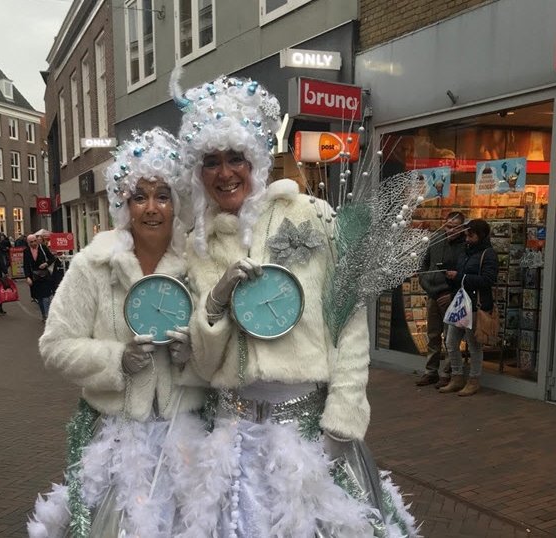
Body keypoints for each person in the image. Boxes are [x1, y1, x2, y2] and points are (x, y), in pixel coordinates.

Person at [171, 73, 417, 536]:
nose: (225, 173)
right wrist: (216, 302)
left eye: (236, 158)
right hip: (233, 439)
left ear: (257, 161)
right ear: (197, 172)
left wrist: (342, 422)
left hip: (310, 435)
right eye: (211, 161)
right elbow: (205, 365)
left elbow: (347, 324)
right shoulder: (196, 247)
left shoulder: (311, 216)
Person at [28, 128, 205, 537]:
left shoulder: (198, 266)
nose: (151, 208)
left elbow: (220, 347)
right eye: (139, 196)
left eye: (162, 195)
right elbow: (54, 345)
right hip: (117, 439)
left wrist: (193, 355)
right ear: (124, 206)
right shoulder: (93, 266)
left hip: (188, 438)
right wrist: (115, 359)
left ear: (176, 204)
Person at [440, 219, 498, 397]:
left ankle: (474, 380)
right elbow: (460, 276)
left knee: (473, 345)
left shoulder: (488, 254)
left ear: (480, 235)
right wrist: (452, 277)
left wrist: (461, 277)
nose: (467, 238)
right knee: (450, 342)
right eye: (466, 234)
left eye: (470, 235)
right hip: (461, 303)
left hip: (475, 304)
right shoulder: (465, 252)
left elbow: (488, 280)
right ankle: (457, 377)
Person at [415, 211, 466, 388]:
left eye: (455, 227)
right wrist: (426, 284)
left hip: (450, 296)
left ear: (462, 228)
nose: (451, 230)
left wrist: (451, 294)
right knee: (433, 334)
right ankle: (431, 372)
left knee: (450, 337)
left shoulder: (464, 247)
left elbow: (464, 274)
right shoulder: (435, 240)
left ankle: (448, 372)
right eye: (448, 226)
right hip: (433, 294)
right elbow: (423, 264)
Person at [23, 234, 56, 321]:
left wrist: (46, 263)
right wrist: (27, 277)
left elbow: (52, 258)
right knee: (39, 297)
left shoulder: (43, 248)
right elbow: (25, 265)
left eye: (35, 241)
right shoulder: (26, 251)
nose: (34, 243)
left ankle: (48, 316)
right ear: (28, 243)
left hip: (45, 276)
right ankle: (43, 314)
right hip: (34, 277)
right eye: (31, 242)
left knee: (46, 296)